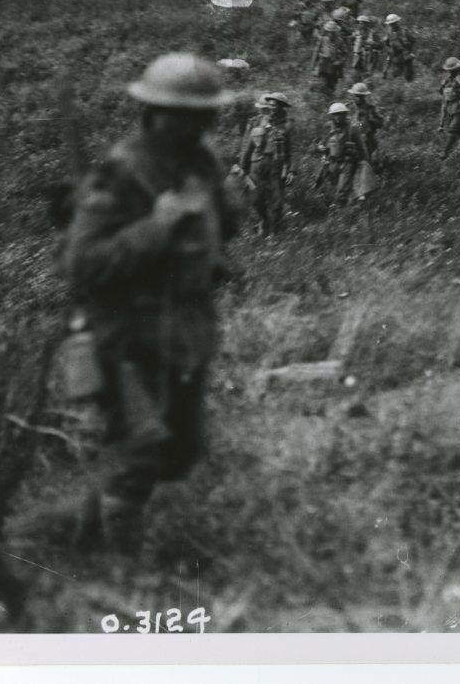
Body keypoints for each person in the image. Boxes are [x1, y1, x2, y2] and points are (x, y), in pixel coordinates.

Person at [42, 53, 240, 557]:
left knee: (182, 450)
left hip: (186, 325)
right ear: (153, 112)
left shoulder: (202, 162)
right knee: (141, 451)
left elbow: (221, 225)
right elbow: (82, 264)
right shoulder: (122, 173)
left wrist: (214, 240)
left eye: (206, 114)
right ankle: (121, 569)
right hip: (126, 330)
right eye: (186, 113)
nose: (199, 124)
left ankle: (79, 527)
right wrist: (158, 225)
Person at [237, 93, 292, 235]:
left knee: (277, 201)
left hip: (276, 166)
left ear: (282, 107)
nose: (271, 108)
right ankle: (264, 220)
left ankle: (275, 233)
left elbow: (293, 149)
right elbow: (247, 146)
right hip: (257, 164)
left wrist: (293, 170)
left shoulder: (288, 124)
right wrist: (242, 167)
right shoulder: (257, 122)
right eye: (270, 105)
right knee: (256, 199)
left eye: (274, 105)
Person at [314, 102, 373, 206]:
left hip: (347, 161)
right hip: (332, 160)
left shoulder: (353, 128)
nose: (337, 117)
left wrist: (366, 163)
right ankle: (320, 200)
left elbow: (361, 147)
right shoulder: (328, 127)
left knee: (342, 187)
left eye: (340, 114)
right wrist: (320, 147)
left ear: (345, 114)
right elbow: (320, 141)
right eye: (335, 114)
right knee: (326, 182)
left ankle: (340, 208)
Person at [439, 57, 460, 158]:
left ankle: (445, 153)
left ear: (457, 69)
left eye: (452, 70)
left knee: (453, 129)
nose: (450, 72)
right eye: (449, 70)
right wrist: (442, 86)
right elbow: (444, 93)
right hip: (451, 108)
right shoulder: (448, 78)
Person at [346, 83, 384, 161]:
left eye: (361, 96)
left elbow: (380, 123)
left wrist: (372, 120)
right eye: (356, 96)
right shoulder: (347, 108)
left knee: (369, 162)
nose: (359, 98)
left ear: (364, 96)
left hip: (367, 140)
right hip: (349, 139)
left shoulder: (371, 108)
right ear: (353, 95)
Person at [312, 20, 345, 97]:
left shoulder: (339, 41)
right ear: (327, 31)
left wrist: (339, 61)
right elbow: (316, 53)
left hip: (334, 66)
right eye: (330, 32)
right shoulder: (322, 40)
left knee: (332, 84)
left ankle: (330, 98)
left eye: (333, 32)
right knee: (322, 83)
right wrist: (313, 66)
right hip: (323, 65)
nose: (331, 34)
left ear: (336, 32)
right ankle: (322, 98)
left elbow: (345, 53)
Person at [382, 13, 416, 81]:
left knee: (408, 77)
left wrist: (411, 52)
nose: (392, 25)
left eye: (394, 23)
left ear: (397, 22)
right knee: (396, 76)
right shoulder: (389, 33)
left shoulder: (404, 31)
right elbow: (387, 44)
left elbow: (413, 41)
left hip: (406, 57)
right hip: (395, 58)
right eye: (390, 24)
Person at [351, 15, 382, 80]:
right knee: (356, 73)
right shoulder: (356, 33)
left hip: (369, 56)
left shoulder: (372, 34)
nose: (360, 25)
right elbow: (351, 43)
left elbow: (381, 45)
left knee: (367, 75)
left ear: (366, 24)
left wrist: (372, 43)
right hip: (357, 56)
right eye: (359, 23)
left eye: (362, 23)